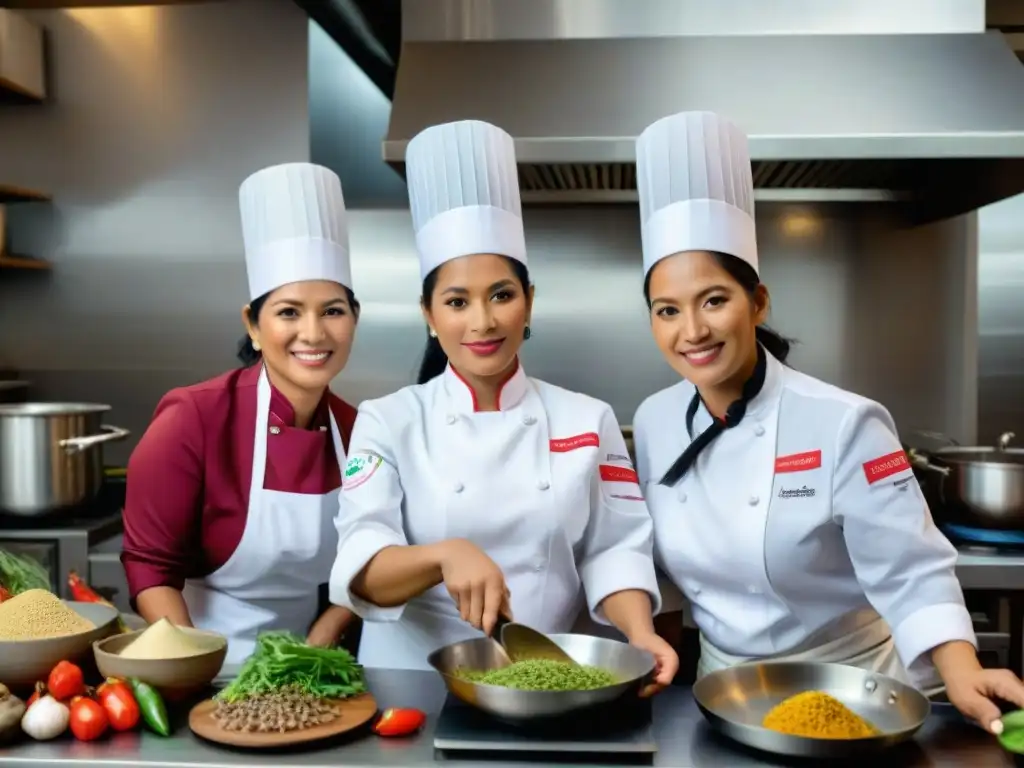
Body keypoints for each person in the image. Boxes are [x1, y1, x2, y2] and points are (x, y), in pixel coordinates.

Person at [631, 110, 1024, 732]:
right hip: (720, 695)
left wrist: (960, 667)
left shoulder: (846, 423)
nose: (693, 331)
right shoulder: (653, 422)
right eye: (667, 310)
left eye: (714, 300)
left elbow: (911, 568)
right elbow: (662, 571)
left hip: (849, 692)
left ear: (757, 301)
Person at [329, 119, 678, 690]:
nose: (483, 321)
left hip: (547, 679)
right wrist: (444, 555)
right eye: (457, 301)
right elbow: (362, 569)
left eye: (501, 295)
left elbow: (615, 549)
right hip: (412, 685)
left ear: (529, 302)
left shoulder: (587, 420)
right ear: (429, 315)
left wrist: (639, 632)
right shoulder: (388, 420)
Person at [121, 163, 360, 664]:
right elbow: (149, 567)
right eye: (289, 311)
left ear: (354, 320)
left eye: (333, 310)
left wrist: (311, 655)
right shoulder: (193, 419)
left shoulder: (359, 432)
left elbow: (367, 566)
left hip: (312, 671)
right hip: (194, 662)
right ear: (253, 324)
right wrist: (193, 663)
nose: (313, 334)